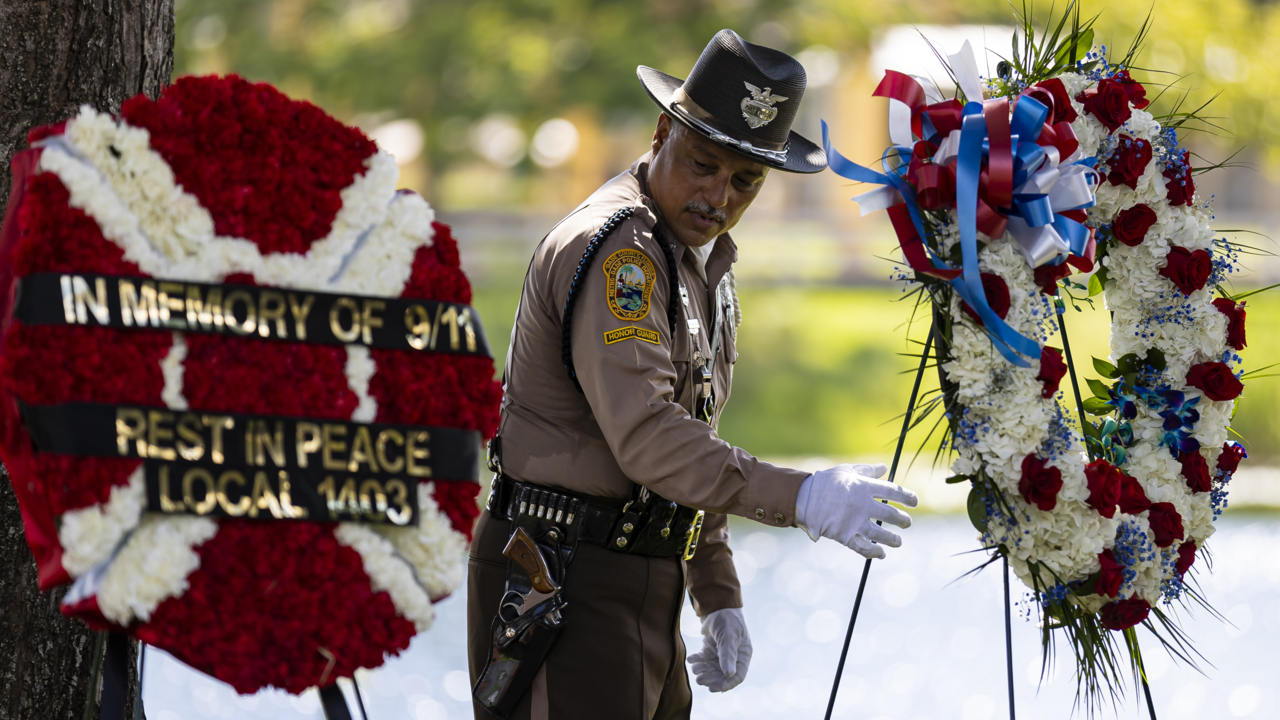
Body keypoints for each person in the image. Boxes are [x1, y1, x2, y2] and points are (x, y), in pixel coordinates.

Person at [468, 29, 918, 720]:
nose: (718, 195)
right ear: (661, 135)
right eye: (703, 165)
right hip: (560, 579)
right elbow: (649, 436)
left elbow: (691, 436)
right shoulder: (621, 251)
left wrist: (716, 589)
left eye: (746, 181)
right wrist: (802, 496)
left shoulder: (697, 256)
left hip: (635, 578)